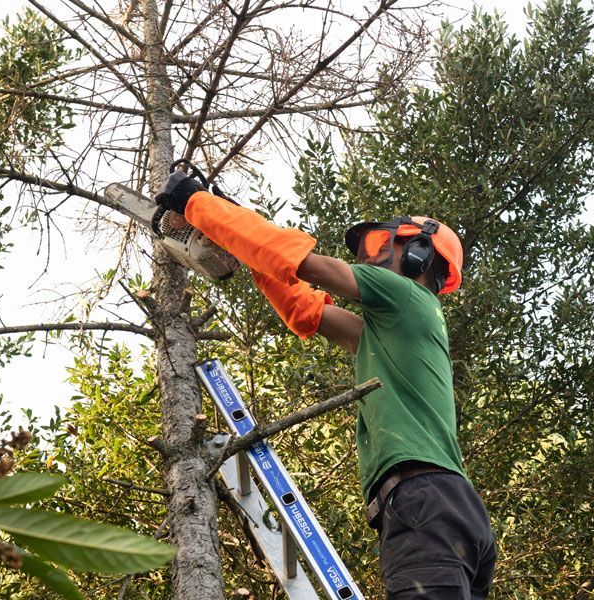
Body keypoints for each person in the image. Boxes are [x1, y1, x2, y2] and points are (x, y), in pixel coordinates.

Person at [155, 171, 497, 599]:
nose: (371, 258)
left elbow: (298, 261)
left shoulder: (406, 295)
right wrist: (242, 245)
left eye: (381, 246)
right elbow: (307, 310)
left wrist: (198, 204)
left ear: (418, 255)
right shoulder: (395, 329)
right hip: (450, 509)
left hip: (423, 499)